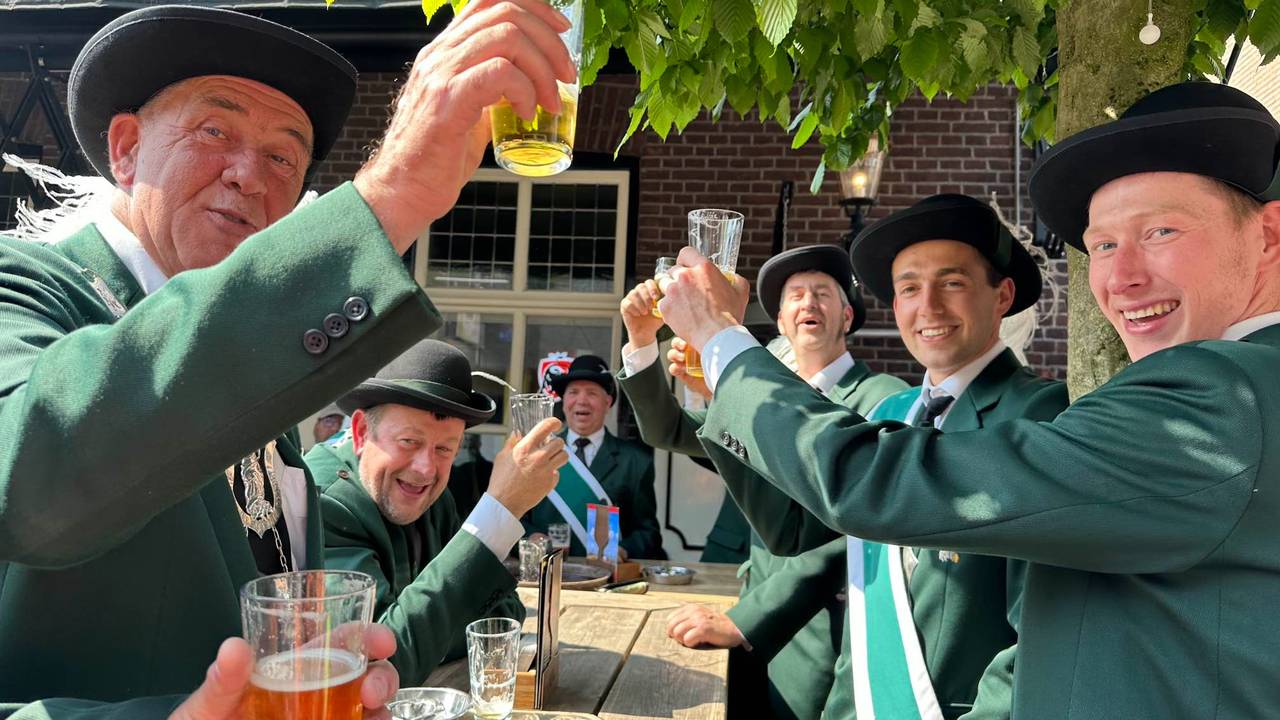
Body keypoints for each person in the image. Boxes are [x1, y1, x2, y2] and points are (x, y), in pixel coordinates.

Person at [0, 0, 575, 716]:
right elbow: (33, 478)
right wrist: (390, 200)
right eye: (216, 130)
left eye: (283, 156)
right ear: (125, 148)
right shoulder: (25, 290)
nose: (250, 173)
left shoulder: (266, 393)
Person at [659, 81, 1280, 718]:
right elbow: (802, 528)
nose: (1121, 277)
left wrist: (723, 341)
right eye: (1102, 245)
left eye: (1161, 231)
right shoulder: (899, 411)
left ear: (1268, 234)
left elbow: (874, 484)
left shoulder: (1219, 395)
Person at [703, 198, 1067, 719]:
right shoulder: (893, 413)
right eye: (910, 289)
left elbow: (1039, 637)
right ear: (895, 308)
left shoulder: (1037, 411)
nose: (930, 307)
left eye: (953, 283)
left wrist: (721, 340)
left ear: (1003, 294)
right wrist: (728, 398)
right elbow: (790, 530)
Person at [619, 244, 907, 720]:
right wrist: (641, 340)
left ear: (847, 315)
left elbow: (851, 528)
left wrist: (745, 620)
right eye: (795, 296)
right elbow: (666, 429)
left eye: (822, 294)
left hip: (823, 630)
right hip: (743, 612)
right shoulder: (764, 404)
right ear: (780, 321)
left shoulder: (883, 399)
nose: (808, 304)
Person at [305, 339, 565, 685]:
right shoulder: (323, 502)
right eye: (409, 442)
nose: (426, 469)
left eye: (444, 448)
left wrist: (427, 630)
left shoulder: (434, 497)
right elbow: (379, 663)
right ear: (362, 432)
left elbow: (506, 617)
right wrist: (501, 508)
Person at [523, 354, 665, 560]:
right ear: (563, 402)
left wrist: (624, 550)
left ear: (608, 402)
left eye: (592, 393)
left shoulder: (635, 461)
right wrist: (532, 536)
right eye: (573, 392)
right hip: (548, 574)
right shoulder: (539, 454)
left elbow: (648, 534)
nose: (581, 401)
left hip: (605, 580)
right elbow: (516, 518)